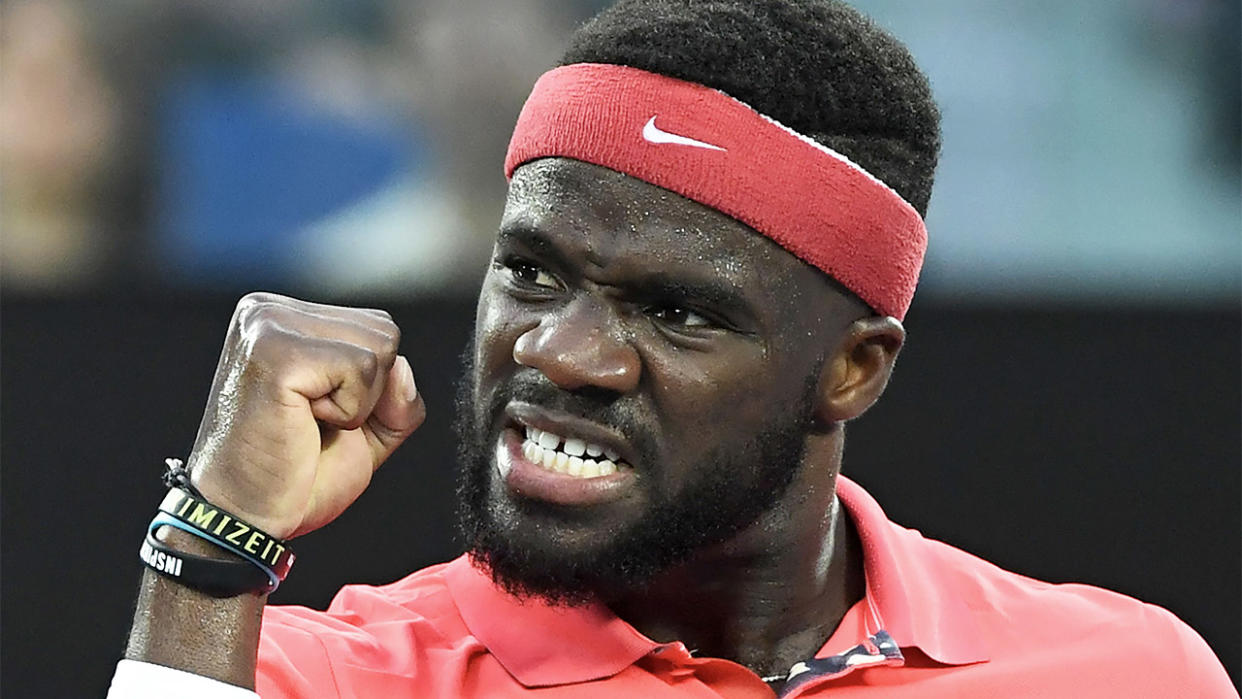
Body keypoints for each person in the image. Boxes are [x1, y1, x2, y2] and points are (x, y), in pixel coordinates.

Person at [108, 1, 1237, 697]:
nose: (562, 353)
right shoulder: (315, 679)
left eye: (678, 312)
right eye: (534, 272)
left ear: (855, 368)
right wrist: (212, 547)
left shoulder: (1132, 678)